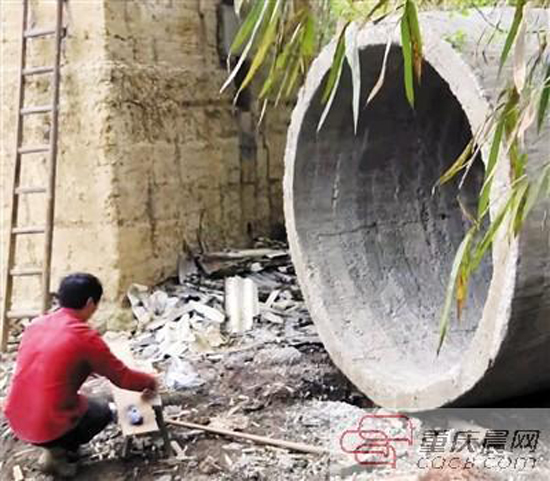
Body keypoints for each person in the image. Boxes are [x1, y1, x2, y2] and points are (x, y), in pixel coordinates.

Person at [2, 273, 157, 477]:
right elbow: (124, 379)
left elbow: (49, 361)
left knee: (72, 403)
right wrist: (150, 381)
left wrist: (84, 366)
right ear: (90, 302)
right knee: (102, 411)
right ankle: (58, 455)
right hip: (47, 425)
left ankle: (54, 447)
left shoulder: (37, 324)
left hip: (17, 417)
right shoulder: (85, 337)